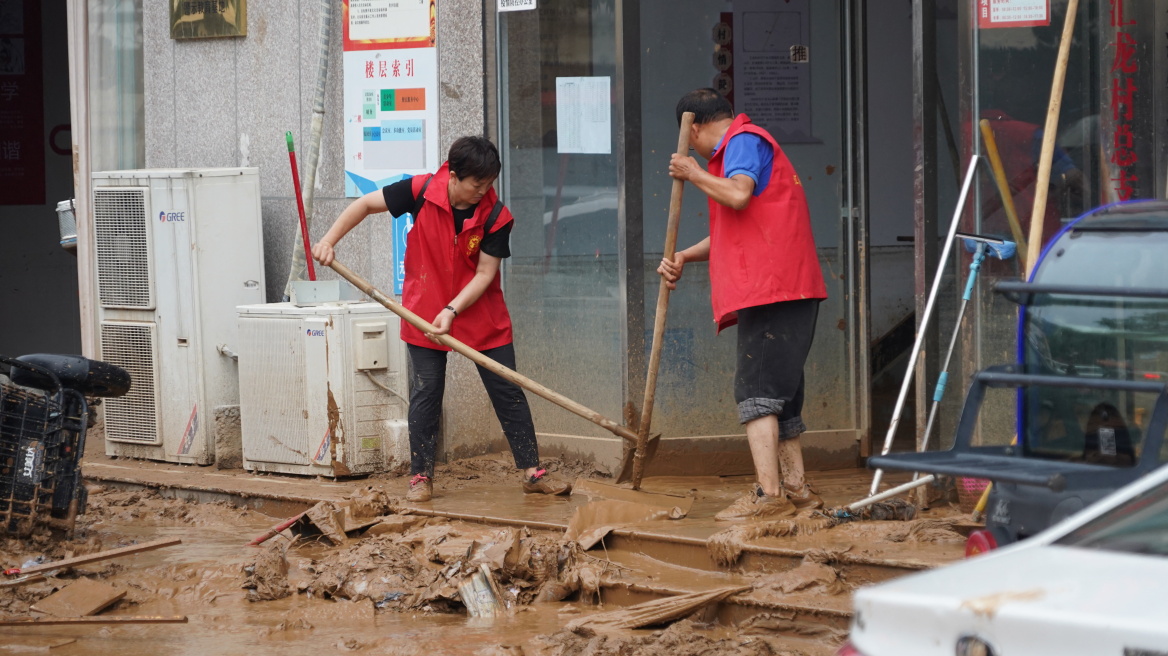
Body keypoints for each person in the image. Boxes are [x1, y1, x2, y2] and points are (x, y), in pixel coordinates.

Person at [312, 136, 570, 502]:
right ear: (452, 174)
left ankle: (531, 471)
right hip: (424, 311)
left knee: (507, 390)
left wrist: (452, 310)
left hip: (480, 312)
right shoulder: (420, 190)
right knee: (427, 393)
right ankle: (421, 476)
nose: (483, 191)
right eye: (476, 184)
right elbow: (367, 204)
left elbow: (484, 274)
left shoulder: (496, 216)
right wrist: (328, 240)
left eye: (489, 184)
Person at [658, 89, 827, 521]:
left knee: (755, 393)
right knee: (780, 397)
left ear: (693, 128)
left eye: (690, 138)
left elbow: (737, 196)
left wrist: (693, 173)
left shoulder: (743, 141)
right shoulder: (737, 150)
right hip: (784, 288)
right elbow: (736, 230)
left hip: (775, 289)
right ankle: (797, 491)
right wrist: (683, 256)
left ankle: (769, 498)